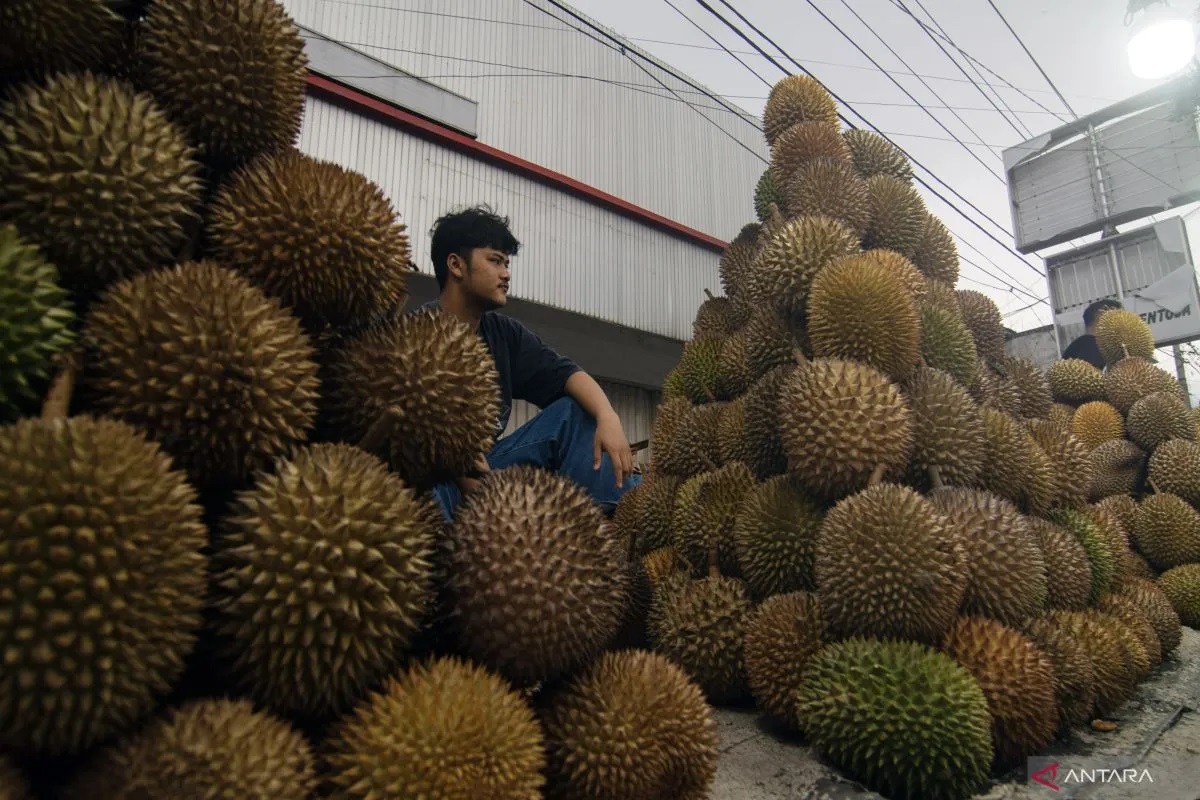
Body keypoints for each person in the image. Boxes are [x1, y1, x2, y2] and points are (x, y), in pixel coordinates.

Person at [419, 205, 640, 522]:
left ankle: (620, 523)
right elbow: (430, 443)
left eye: (507, 263)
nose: (506, 273)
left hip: (490, 471)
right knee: (415, 480)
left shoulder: (504, 335)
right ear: (455, 264)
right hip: (438, 481)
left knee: (575, 411)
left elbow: (567, 374)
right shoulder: (415, 336)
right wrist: (494, 506)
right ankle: (441, 565)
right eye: (495, 261)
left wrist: (608, 415)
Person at [1061, 298, 1123, 369]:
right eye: (1119, 318)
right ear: (1102, 315)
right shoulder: (1091, 346)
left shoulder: (1081, 345)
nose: (1123, 324)